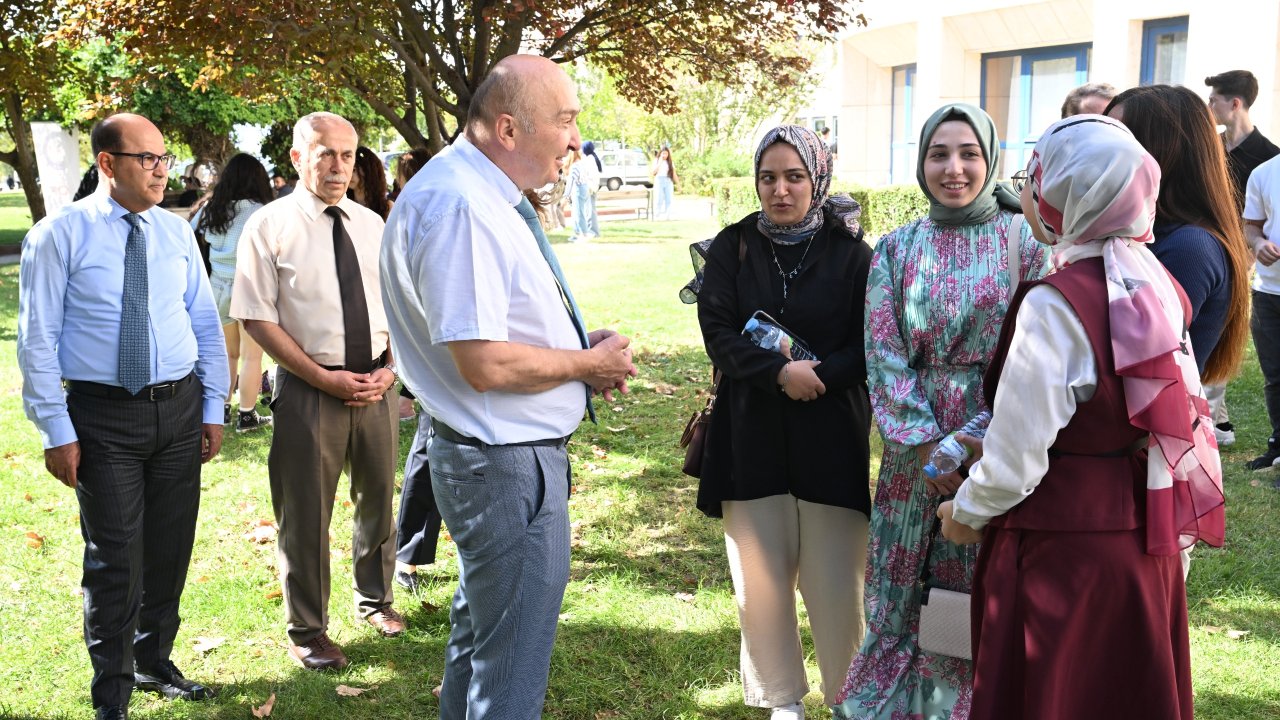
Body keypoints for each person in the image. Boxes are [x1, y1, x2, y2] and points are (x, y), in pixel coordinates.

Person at [938, 114, 1225, 720]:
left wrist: (965, 513)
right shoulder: (1157, 285)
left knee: (1053, 695)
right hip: (1143, 542)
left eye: (1033, 179)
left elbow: (1017, 455)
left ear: (1060, 199)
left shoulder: (1056, 303)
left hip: (1063, 545)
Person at [379, 54, 636, 720]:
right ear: (509, 129)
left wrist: (577, 348)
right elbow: (485, 363)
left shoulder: (475, 193)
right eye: (566, 120)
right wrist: (586, 367)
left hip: (495, 457)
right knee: (512, 666)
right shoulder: (462, 205)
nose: (576, 139)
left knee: (483, 639)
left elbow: (494, 330)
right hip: (501, 464)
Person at [833, 103, 1047, 720]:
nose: (953, 169)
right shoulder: (898, 248)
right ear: (921, 161)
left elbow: (1031, 361)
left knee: (972, 585)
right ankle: (886, 705)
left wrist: (969, 446)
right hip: (911, 450)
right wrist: (928, 445)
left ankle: (961, 706)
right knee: (898, 583)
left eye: (968, 154)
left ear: (990, 159)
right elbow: (883, 349)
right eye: (938, 154)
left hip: (995, 440)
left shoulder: (1025, 243)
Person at [16, 113, 229, 720]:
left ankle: (154, 661)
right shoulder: (58, 236)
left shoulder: (175, 232)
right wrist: (57, 431)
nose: (163, 170)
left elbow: (204, 323)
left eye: (164, 158)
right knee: (115, 559)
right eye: (147, 159)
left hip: (180, 410)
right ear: (108, 164)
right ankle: (112, 693)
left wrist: (212, 405)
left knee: (169, 548)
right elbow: (37, 340)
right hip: (103, 418)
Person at [695, 124, 872, 720]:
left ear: (817, 179)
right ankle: (781, 700)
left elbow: (870, 340)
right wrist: (779, 373)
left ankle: (848, 694)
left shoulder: (852, 253)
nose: (780, 190)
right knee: (760, 582)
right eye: (768, 177)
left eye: (795, 176)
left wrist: (819, 375)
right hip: (751, 435)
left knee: (836, 582)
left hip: (831, 433)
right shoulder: (733, 245)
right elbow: (718, 334)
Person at [231, 111, 403, 671]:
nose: (337, 165)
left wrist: (392, 367)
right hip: (310, 389)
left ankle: (375, 600)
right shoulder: (269, 227)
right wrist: (322, 378)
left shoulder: (371, 224)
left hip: (375, 386)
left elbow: (398, 307)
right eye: (325, 153)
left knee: (377, 503)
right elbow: (257, 318)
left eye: (348, 154)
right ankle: (308, 630)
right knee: (306, 515)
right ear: (298, 158)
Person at [1104, 85, 1250, 458]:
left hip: (1133, 458)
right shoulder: (1144, 235)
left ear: (1162, 151)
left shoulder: (1187, 247)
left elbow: (1133, 379)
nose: (1097, 152)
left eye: (1113, 139)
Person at [192, 153, 276, 432]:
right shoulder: (261, 211)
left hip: (217, 286)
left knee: (228, 354)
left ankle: (223, 410)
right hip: (249, 287)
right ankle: (247, 414)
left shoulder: (212, 208)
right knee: (253, 356)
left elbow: (193, 235)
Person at [1243, 149, 1280, 482]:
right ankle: (1278, 447)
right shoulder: (1264, 172)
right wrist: (1257, 245)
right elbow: (1251, 226)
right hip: (1268, 292)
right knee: (1275, 376)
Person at [348, 145, 393, 220]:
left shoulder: (387, 207)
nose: (349, 175)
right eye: (348, 169)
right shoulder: (343, 205)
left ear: (368, 172)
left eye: (354, 170)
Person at [566, 148, 601, 242]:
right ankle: (577, 233)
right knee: (578, 212)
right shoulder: (582, 164)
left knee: (578, 213)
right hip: (584, 188)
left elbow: (571, 181)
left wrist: (566, 194)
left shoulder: (574, 166)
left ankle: (583, 234)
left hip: (578, 189)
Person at [581, 140, 603, 235]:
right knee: (589, 209)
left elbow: (590, 175)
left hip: (590, 188)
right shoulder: (592, 157)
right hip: (592, 187)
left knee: (590, 210)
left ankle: (593, 231)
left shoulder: (590, 159)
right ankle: (592, 230)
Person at [651, 146, 677, 220]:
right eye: (663, 153)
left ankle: (667, 215)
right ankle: (657, 214)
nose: (665, 155)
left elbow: (674, 174)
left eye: (666, 153)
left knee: (669, 199)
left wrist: (678, 184)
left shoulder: (670, 162)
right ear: (660, 153)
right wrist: (660, 163)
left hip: (668, 180)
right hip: (659, 180)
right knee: (659, 198)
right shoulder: (656, 160)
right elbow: (653, 172)